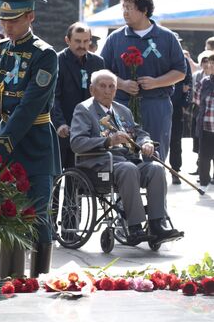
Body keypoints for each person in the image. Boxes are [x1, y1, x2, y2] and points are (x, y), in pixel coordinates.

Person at [0, 0, 60, 278]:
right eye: (3, 19)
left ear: (30, 17)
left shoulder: (45, 54)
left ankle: (40, 278)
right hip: (4, 141)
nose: (7, 25)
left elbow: (29, 107)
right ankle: (10, 276)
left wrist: (0, 145)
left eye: (14, 19)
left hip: (35, 143)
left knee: (38, 212)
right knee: (7, 210)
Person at [70, 69, 182, 245]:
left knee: (156, 169)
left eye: (112, 87)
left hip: (127, 161)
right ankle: (135, 227)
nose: (108, 91)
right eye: (103, 86)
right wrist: (108, 141)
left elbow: (139, 132)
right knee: (129, 169)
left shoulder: (122, 110)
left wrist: (147, 143)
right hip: (99, 163)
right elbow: (77, 142)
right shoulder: (84, 110)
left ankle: (157, 225)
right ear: (92, 89)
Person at [100, 0, 187, 161]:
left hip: (156, 104)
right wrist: (122, 84)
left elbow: (180, 71)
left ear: (144, 10)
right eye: (123, 7)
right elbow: (103, 70)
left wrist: (156, 82)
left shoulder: (167, 37)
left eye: (129, 8)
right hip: (122, 106)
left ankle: (155, 187)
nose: (125, 12)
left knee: (154, 154)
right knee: (124, 156)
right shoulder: (115, 38)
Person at [53, 22, 105, 170]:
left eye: (86, 41)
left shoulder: (97, 62)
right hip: (64, 126)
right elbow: (53, 96)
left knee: (78, 176)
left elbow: (101, 96)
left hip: (87, 129)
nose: (82, 45)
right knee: (57, 174)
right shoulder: (57, 61)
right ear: (67, 40)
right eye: (77, 41)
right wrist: (59, 123)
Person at [169, 34, 192, 185]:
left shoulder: (184, 61)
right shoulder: (162, 58)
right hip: (160, 105)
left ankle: (175, 171)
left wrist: (185, 104)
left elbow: (188, 85)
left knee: (176, 141)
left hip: (177, 107)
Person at [196, 53, 214, 188]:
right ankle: (204, 182)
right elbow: (197, 100)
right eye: (210, 63)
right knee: (204, 156)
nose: (211, 66)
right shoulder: (205, 81)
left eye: (213, 63)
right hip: (206, 124)